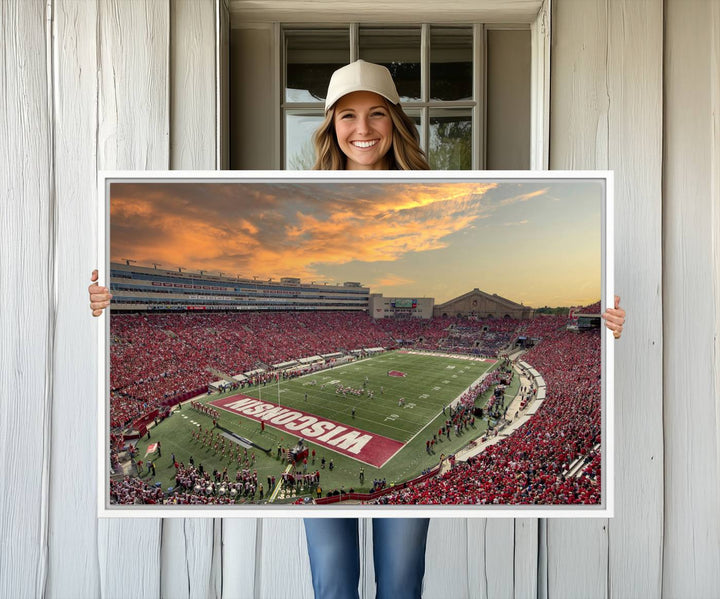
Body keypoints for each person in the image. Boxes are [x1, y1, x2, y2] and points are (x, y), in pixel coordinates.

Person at [87, 59, 626, 599]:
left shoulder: (439, 190)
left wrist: (603, 319)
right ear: (330, 126)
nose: (362, 129)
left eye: (375, 115)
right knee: (333, 581)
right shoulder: (306, 199)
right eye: (347, 116)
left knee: (400, 580)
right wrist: (108, 301)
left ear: (395, 121)